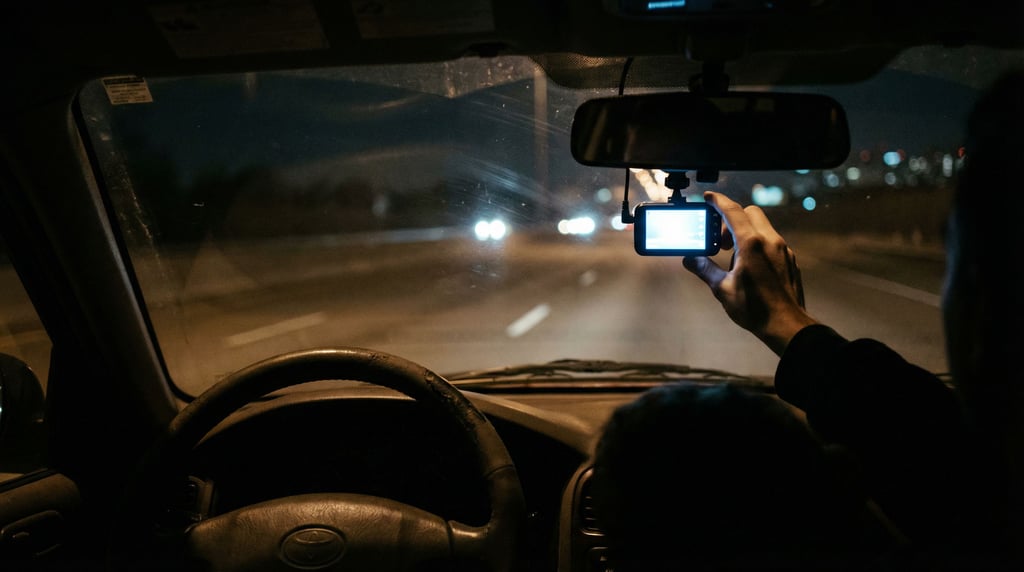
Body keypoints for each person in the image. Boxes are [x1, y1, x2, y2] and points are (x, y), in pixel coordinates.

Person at [591, 71, 1024, 570]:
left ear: (984, 292)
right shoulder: (984, 493)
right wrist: (788, 324)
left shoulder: (974, 484)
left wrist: (789, 325)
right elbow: (930, 444)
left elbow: (926, 442)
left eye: (957, 254)